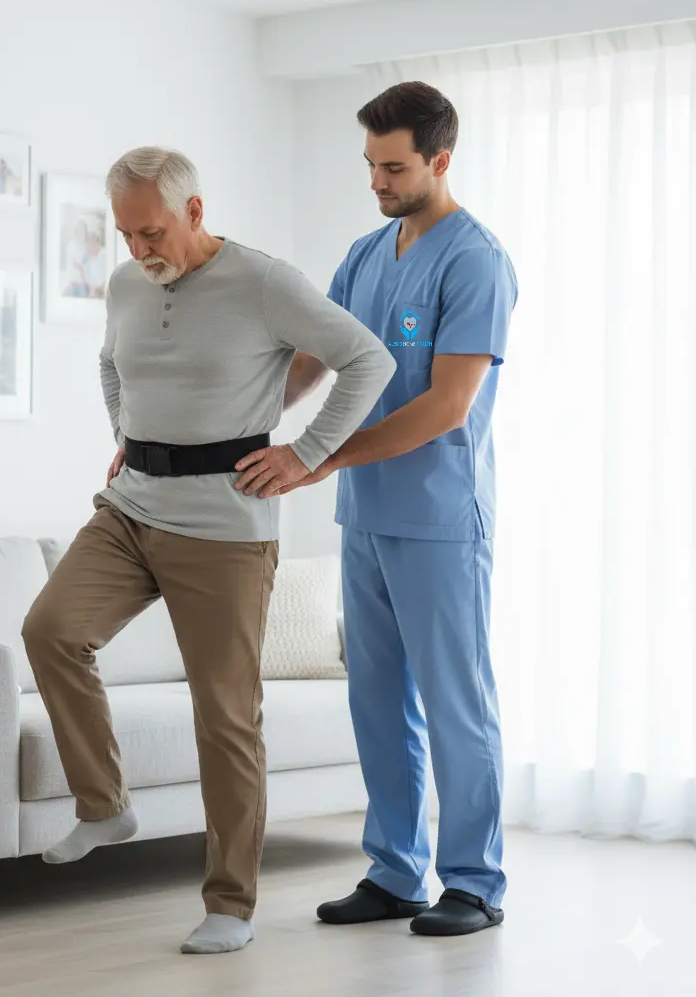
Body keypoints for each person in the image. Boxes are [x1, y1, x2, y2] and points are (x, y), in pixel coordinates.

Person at [20, 146, 395, 956]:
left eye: (151, 231)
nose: (137, 250)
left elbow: (368, 357)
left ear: (194, 213)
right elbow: (108, 362)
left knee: (225, 717)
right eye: (125, 234)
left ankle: (230, 902)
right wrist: (125, 433)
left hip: (225, 525)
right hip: (129, 507)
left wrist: (308, 455)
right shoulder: (127, 282)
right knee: (51, 631)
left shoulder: (263, 282)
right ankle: (104, 804)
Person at [247, 81, 517, 937]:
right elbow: (310, 365)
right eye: (369, 165)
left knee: (455, 703)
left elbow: (447, 405)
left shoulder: (476, 260)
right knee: (376, 700)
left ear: (440, 160)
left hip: (440, 518)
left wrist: (317, 456)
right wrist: (233, 429)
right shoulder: (365, 255)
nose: (377, 181)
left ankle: (473, 883)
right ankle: (396, 872)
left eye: (393, 167)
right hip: (365, 519)